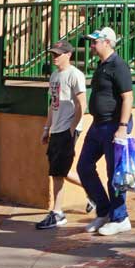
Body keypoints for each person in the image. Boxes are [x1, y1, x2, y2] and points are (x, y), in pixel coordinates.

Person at [77, 27, 134, 236]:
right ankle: (104, 211)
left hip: (114, 125)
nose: (91, 46)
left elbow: (128, 97)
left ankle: (120, 217)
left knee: (114, 174)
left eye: (95, 42)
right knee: (84, 166)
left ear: (107, 42)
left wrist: (122, 127)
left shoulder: (118, 66)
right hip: (98, 124)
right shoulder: (101, 65)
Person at [36, 41, 86, 230]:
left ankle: (57, 212)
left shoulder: (75, 75)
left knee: (58, 171)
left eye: (58, 54)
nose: (55, 57)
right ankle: (93, 193)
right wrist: (46, 128)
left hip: (67, 128)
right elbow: (53, 104)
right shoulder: (55, 76)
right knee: (58, 169)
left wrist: (73, 127)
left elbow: (82, 103)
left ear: (68, 55)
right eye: (53, 54)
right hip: (56, 128)